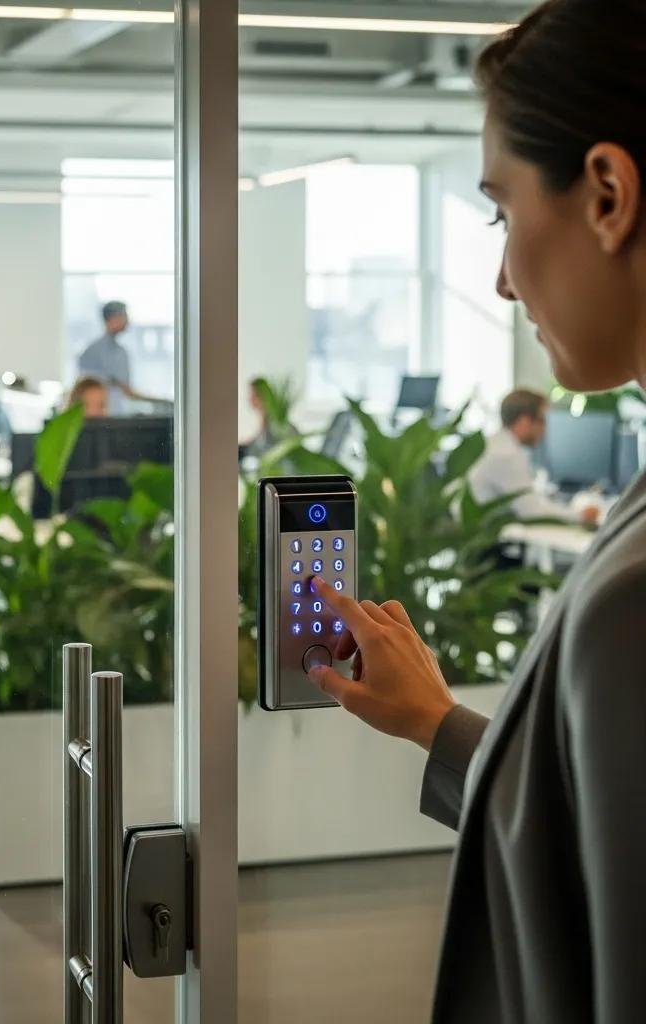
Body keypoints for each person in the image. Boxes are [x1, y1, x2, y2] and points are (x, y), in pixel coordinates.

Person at [305, 4, 646, 1019]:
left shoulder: (634, 597)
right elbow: (584, 837)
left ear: (607, 195)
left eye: (501, 212)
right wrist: (437, 722)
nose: (500, 281)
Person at [469, 388, 599, 525]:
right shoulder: (507, 455)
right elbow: (531, 512)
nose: (545, 428)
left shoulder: (494, 443)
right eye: (542, 420)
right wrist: (580, 516)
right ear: (524, 421)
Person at [77, 301, 160, 414]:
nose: (127, 321)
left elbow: (126, 390)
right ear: (111, 318)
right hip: (102, 416)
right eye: (124, 315)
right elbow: (84, 388)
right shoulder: (92, 352)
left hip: (117, 413)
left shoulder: (121, 351)